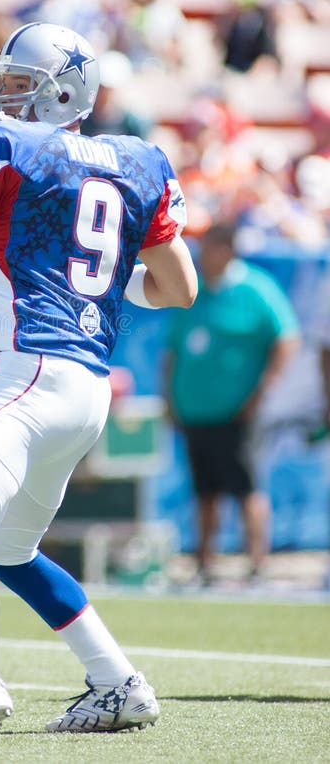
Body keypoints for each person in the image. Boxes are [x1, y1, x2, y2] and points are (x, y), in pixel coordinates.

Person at [0, 21, 197, 742]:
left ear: (64, 90)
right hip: (87, 385)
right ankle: (118, 681)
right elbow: (178, 287)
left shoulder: (4, 149)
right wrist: (98, 284)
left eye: (21, 84)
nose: (5, 97)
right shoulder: (137, 159)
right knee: (9, 552)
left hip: (23, 370)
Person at [164, 223, 300, 585]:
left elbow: (287, 337)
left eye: (208, 248)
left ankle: (257, 561)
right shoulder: (195, 291)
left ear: (226, 250)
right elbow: (175, 351)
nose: (200, 256)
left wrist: (264, 389)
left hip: (237, 413)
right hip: (195, 412)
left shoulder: (256, 288)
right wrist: (169, 399)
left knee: (246, 487)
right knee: (204, 490)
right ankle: (204, 561)